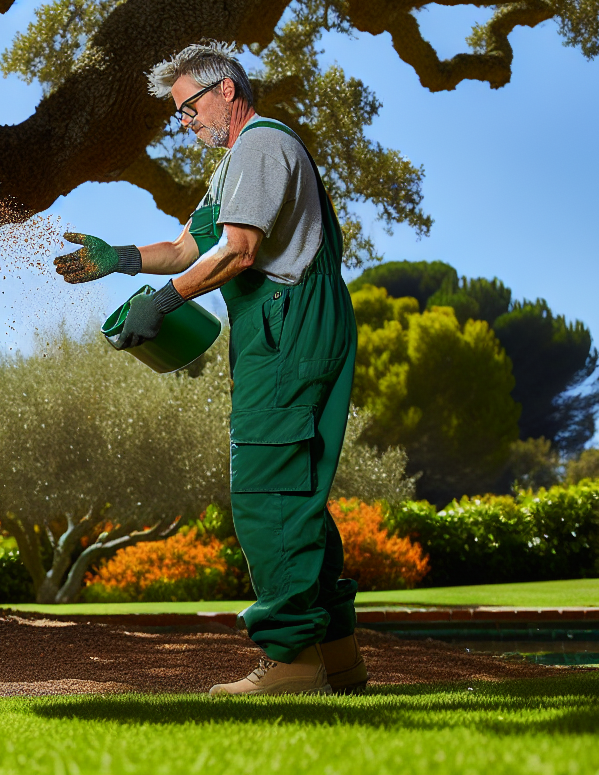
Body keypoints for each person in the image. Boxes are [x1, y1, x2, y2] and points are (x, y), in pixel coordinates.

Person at [52, 42, 365, 697]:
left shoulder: (260, 145)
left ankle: (292, 663)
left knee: (266, 487)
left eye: (188, 107)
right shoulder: (232, 166)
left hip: (287, 322)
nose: (184, 120)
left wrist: (166, 303)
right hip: (286, 324)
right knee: (296, 486)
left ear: (226, 92)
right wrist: (123, 261)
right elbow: (192, 245)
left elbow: (241, 252)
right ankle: (335, 657)